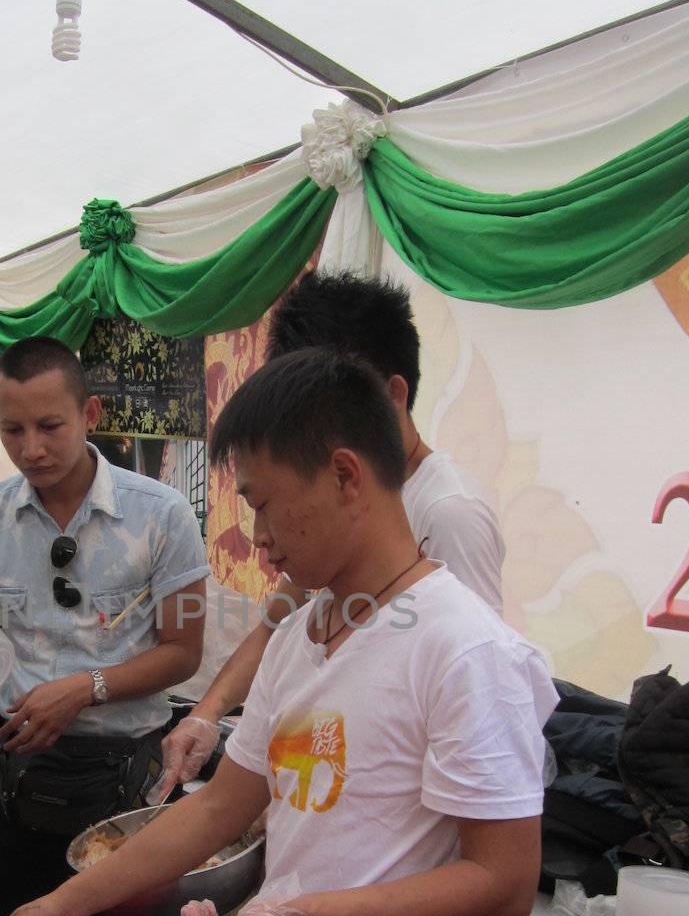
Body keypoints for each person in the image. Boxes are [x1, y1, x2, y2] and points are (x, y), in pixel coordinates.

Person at [0, 347, 556, 916]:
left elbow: (504, 883)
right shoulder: (301, 636)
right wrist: (66, 905)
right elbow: (221, 806)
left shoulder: (465, 650)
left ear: (346, 476)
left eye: (262, 501)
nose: (256, 535)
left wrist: (302, 911)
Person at [159, 268, 507, 794]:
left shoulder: (448, 513)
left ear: (391, 396)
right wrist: (208, 712)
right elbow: (281, 619)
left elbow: (473, 695)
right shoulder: (325, 520)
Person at [0, 337, 208, 916]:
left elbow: (184, 651)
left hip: (122, 776)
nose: (31, 448)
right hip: (25, 768)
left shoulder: (160, 516)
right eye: (12, 430)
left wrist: (83, 688)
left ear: (90, 413)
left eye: (50, 426)